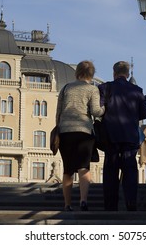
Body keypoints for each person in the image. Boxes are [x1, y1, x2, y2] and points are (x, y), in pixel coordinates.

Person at [98, 61, 146, 211]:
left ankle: (110, 205)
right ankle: (131, 203)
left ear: (114, 73)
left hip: (110, 136)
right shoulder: (137, 90)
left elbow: (99, 109)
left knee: (110, 171)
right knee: (130, 171)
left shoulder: (105, 88)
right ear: (127, 74)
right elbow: (144, 114)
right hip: (130, 137)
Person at [56, 60, 105, 211]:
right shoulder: (92, 89)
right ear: (91, 74)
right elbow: (96, 111)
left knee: (68, 170)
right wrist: (104, 109)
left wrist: (58, 129)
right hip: (84, 132)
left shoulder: (65, 88)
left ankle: (67, 204)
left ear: (77, 72)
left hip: (65, 132)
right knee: (84, 168)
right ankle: (83, 201)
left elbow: (58, 113)